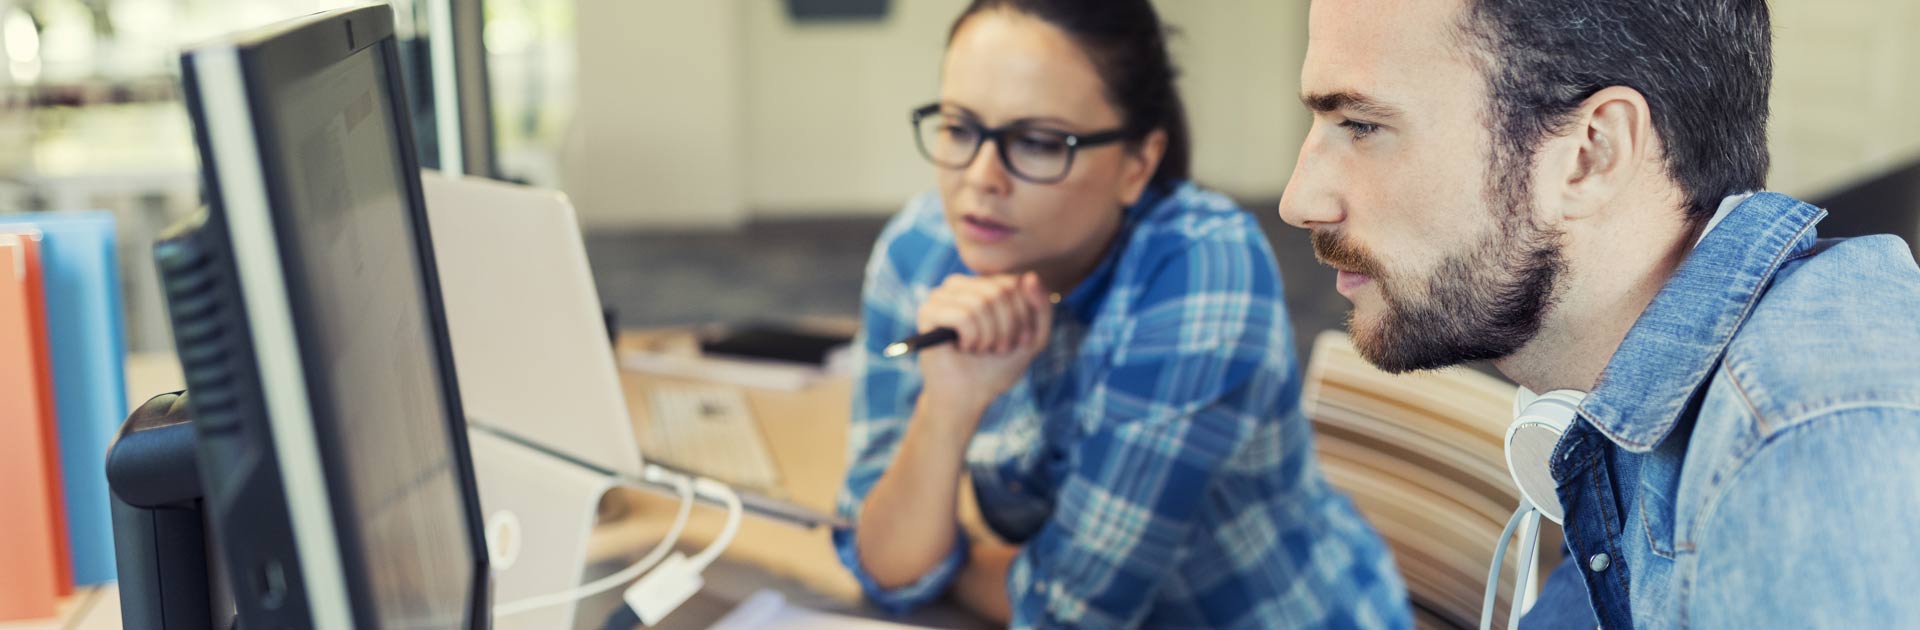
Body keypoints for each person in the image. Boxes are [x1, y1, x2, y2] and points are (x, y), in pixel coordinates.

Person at [1279, 0, 1920, 627]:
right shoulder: (1621, 416)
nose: (1298, 200)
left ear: (1592, 153)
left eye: (1361, 125)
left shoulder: (1807, 454)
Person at [832, 0, 1409, 627]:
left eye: (1038, 142)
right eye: (960, 128)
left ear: (1137, 163)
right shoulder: (920, 251)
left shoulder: (1201, 270)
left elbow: (1069, 614)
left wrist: (948, 560)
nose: (980, 178)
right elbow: (883, 566)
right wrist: (946, 407)